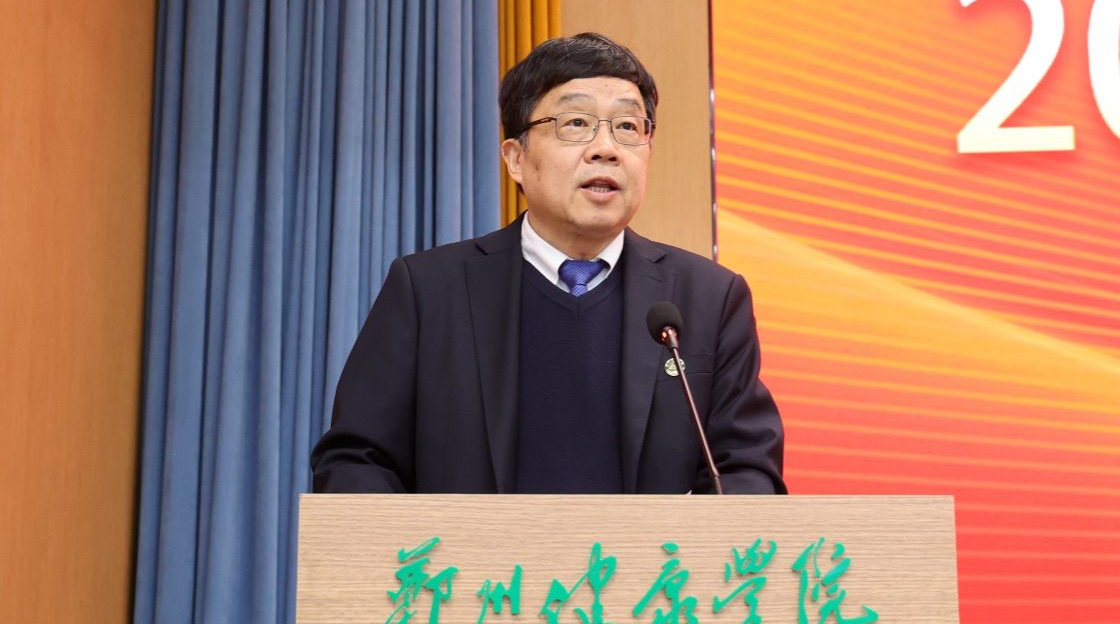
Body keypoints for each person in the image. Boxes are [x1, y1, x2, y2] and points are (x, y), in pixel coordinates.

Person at [311, 31, 785, 496]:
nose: (606, 149)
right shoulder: (429, 291)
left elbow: (747, 470)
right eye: (575, 123)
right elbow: (357, 460)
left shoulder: (707, 299)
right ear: (516, 159)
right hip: (471, 554)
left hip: (655, 555)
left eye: (627, 127)